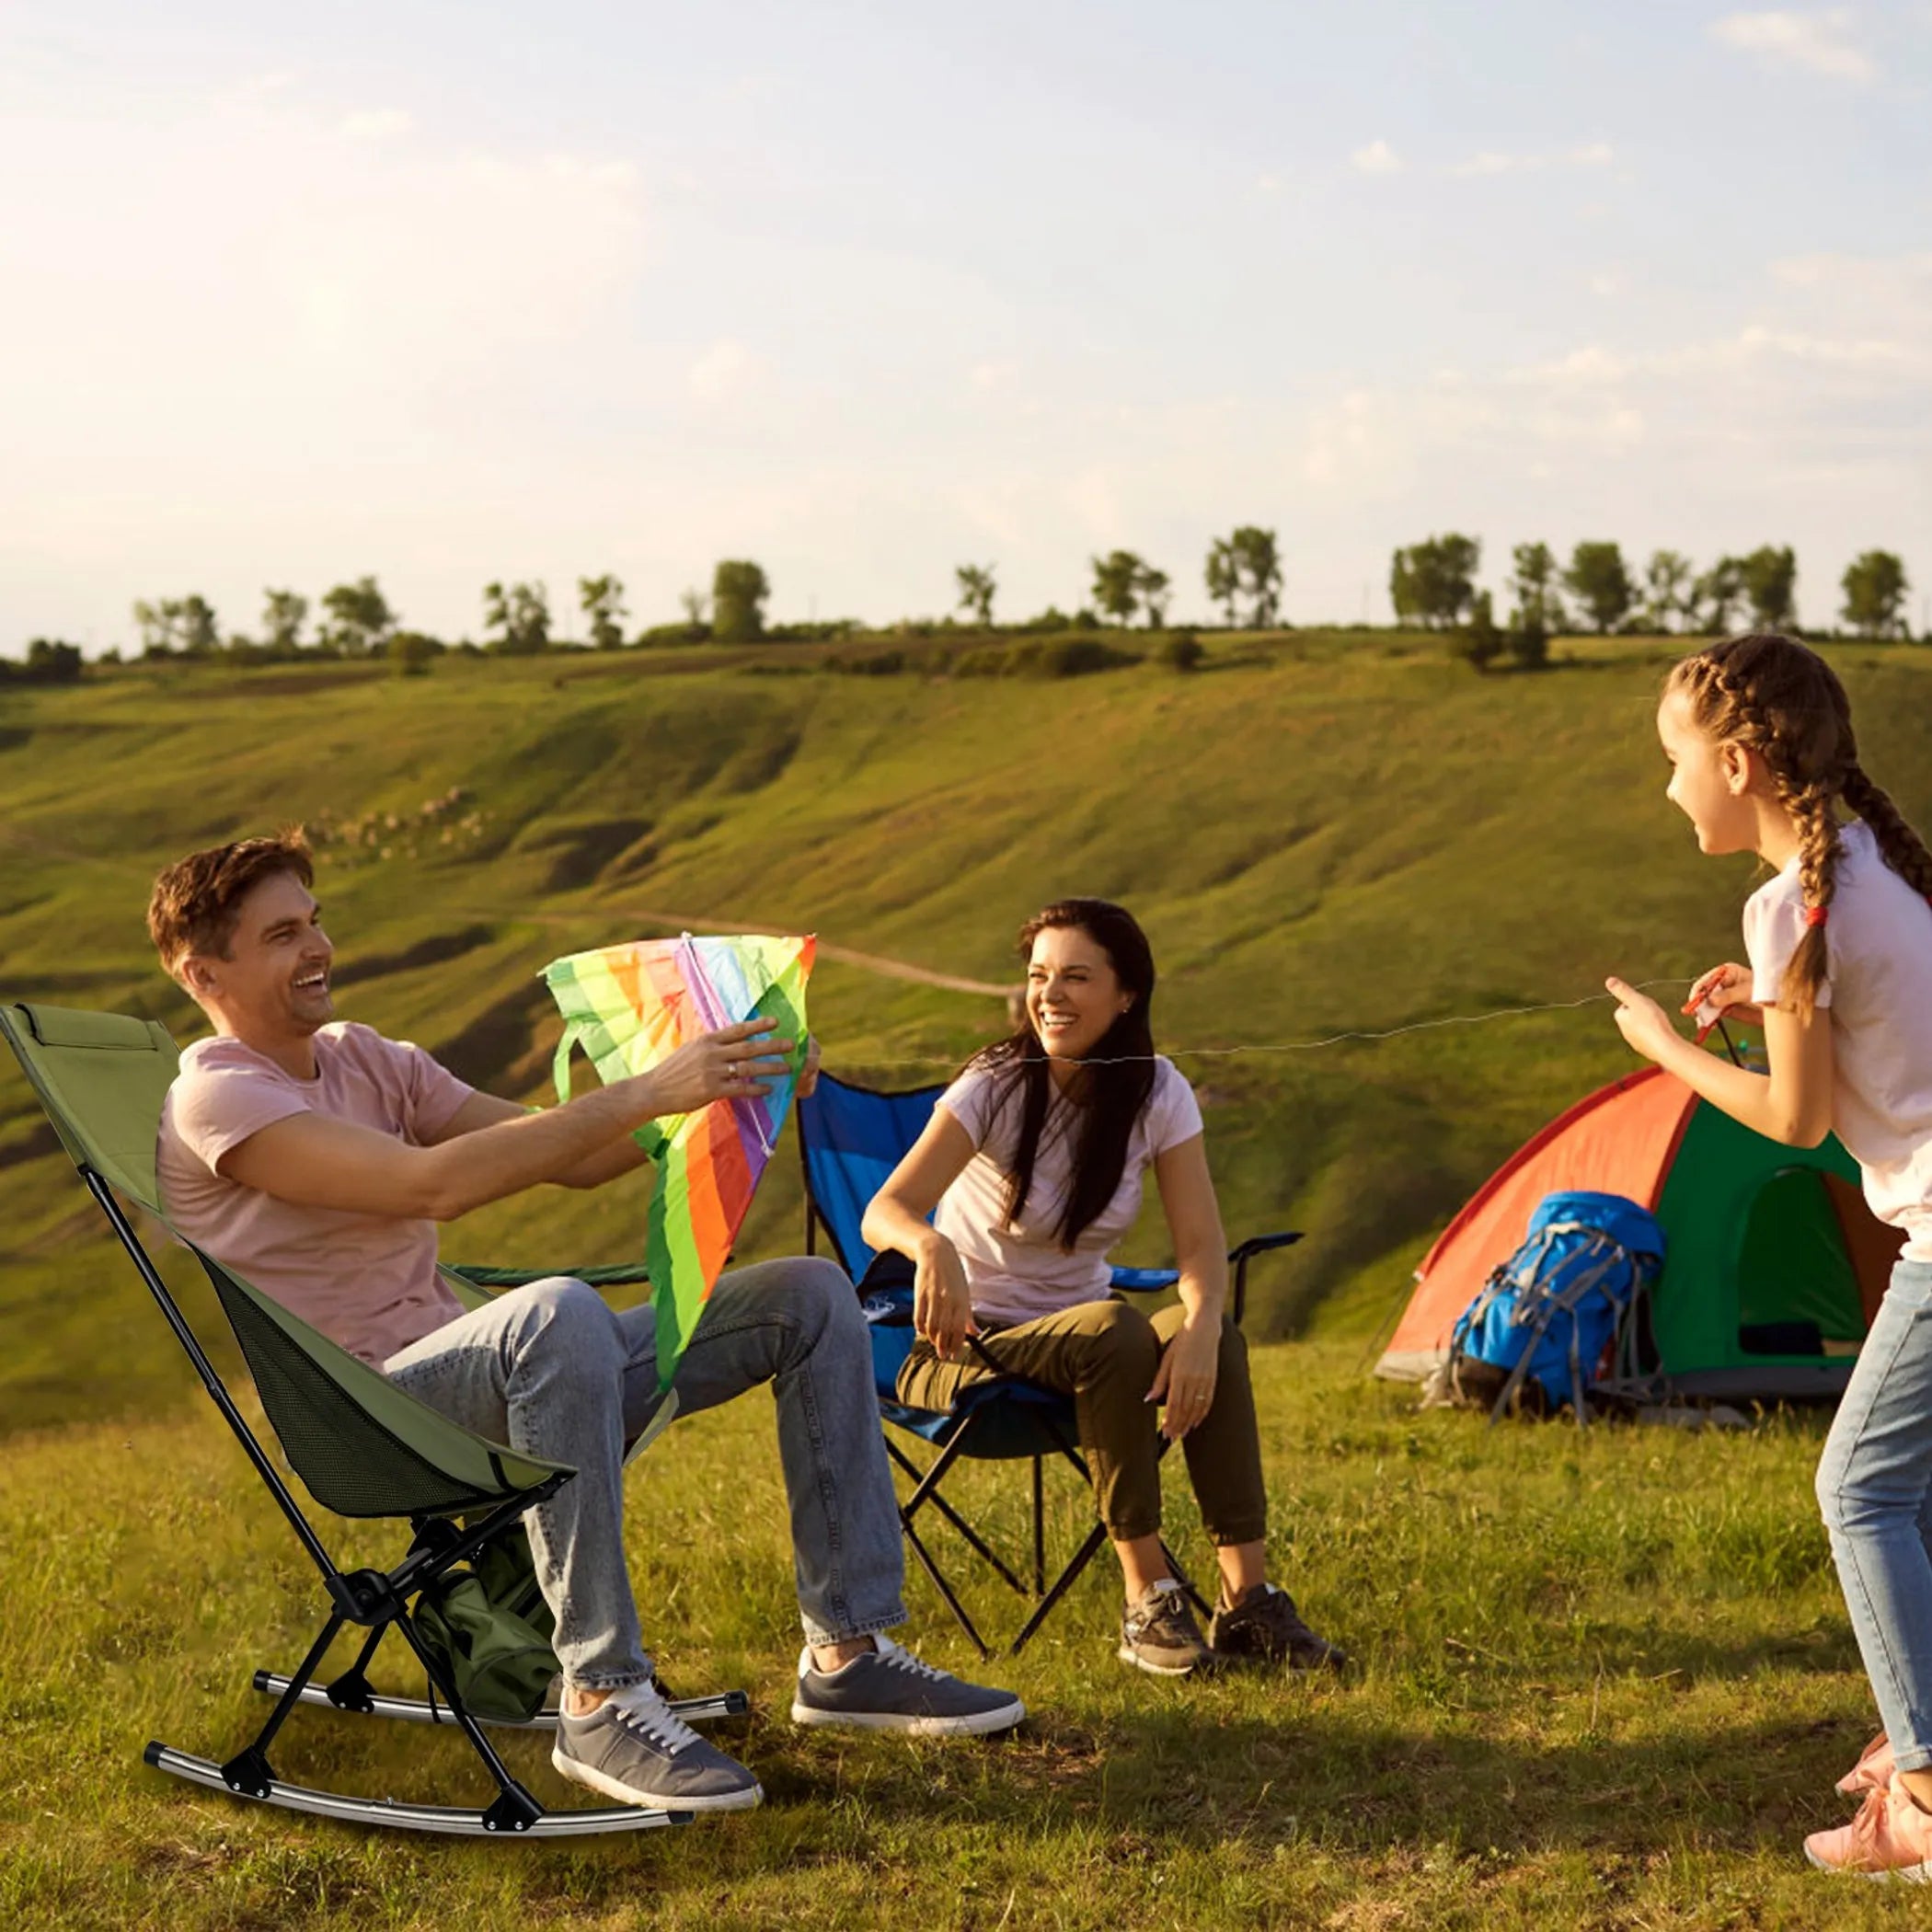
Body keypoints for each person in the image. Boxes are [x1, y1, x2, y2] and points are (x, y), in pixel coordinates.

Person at [147, 833, 1023, 1818]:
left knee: (811, 1294)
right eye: (281, 934)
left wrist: (741, 1073)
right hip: (369, 1414)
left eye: (314, 920)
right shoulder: (218, 1098)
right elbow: (433, 1182)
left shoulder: (364, 1057)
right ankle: (600, 1696)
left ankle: (849, 1651)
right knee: (556, 1312)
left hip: (496, 1384)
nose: (317, 945)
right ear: (204, 971)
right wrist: (653, 1089)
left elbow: (574, 1155)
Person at [1605, 633, 1932, 1880]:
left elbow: (1796, 1124)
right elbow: (1871, 1024)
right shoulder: (1858, 875)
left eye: (1674, 759)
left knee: (1856, 1491)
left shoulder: (1795, 899)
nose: (1669, 784)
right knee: (1917, 1493)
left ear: (1736, 761)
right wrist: (1772, 1000)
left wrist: (1668, 1051)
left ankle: (1922, 1800)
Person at [861, 897, 1346, 1678]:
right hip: (970, 1350)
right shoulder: (993, 1082)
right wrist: (930, 1244)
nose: (1050, 995)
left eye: (1076, 977)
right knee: (1116, 1329)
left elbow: (1200, 1245)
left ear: (1127, 996)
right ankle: (1146, 1597)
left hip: (1086, 1344)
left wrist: (1198, 1327)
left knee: (1208, 1332)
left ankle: (1247, 1603)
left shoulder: (1158, 1092)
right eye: (1038, 977)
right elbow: (884, 1210)